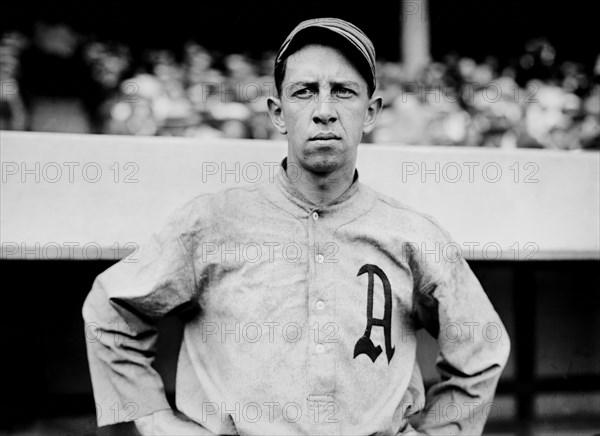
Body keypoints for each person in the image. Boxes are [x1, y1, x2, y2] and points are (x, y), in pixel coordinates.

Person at [83, 18, 510, 435]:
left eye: (343, 92)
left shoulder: (411, 234)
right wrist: (155, 420)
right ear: (278, 112)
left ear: (371, 112)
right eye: (305, 92)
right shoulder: (213, 222)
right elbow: (111, 308)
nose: (324, 111)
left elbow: (482, 348)